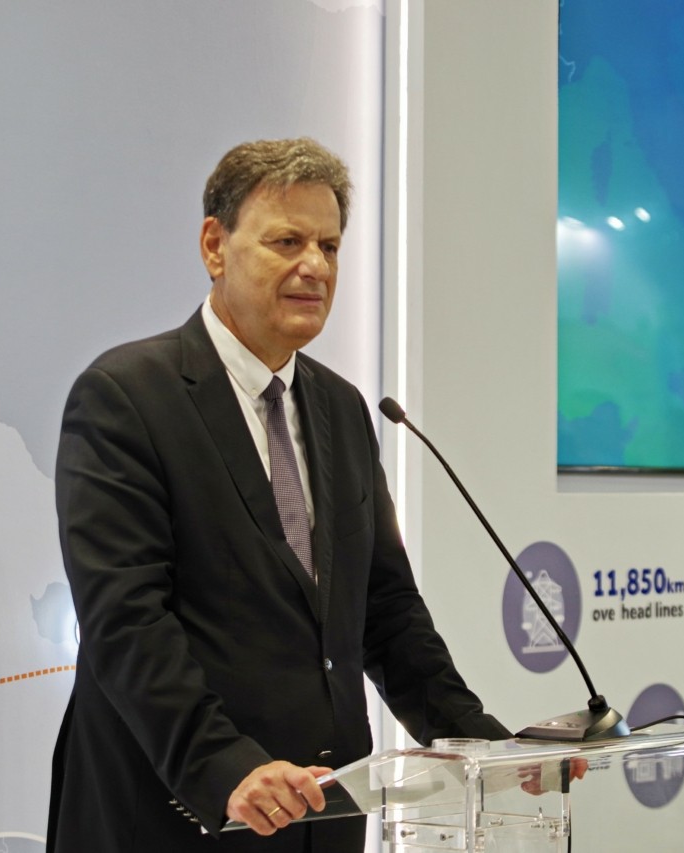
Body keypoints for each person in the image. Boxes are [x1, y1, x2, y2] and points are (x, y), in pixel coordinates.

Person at [46, 137, 509, 852]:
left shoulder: (344, 410)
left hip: (321, 817)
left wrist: (477, 741)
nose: (315, 266)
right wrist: (226, 766)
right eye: (287, 241)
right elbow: (126, 621)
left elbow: (384, 609)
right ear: (215, 245)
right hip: (179, 814)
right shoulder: (126, 397)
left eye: (330, 245)